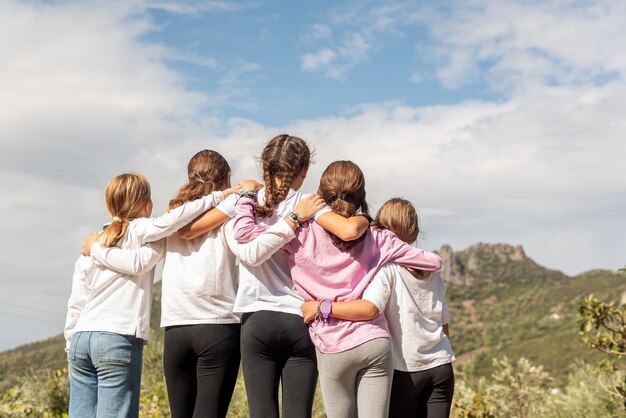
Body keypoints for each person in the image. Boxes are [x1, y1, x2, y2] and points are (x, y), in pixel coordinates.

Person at [233, 161, 443, 418]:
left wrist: (246, 198)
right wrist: (382, 245)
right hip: (374, 341)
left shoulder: (300, 232)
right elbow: (433, 262)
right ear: (361, 195)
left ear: (322, 193)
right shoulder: (377, 236)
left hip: (332, 344)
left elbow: (245, 233)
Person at [212, 135, 370, 418]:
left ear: (265, 167)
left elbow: (246, 250)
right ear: (305, 171)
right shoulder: (312, 206)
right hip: (301, 318)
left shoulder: (243, 205)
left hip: (256, 321)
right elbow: (347, 232)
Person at [64, 172, 231, 418]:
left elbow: (76, 301)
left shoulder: (94, 242)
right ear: (146, 204)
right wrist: (219, 196)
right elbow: (174, 220)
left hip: (80, 341)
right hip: (117, 337)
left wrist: (70, 347)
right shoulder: (141, 229)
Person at [304, 198, 455, 418]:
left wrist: (322, 307)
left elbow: (369, 309)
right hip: (441, 367)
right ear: (413, 231)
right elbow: (444, 326)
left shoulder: (386, 270)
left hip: (407, 371)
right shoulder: (433, 275)